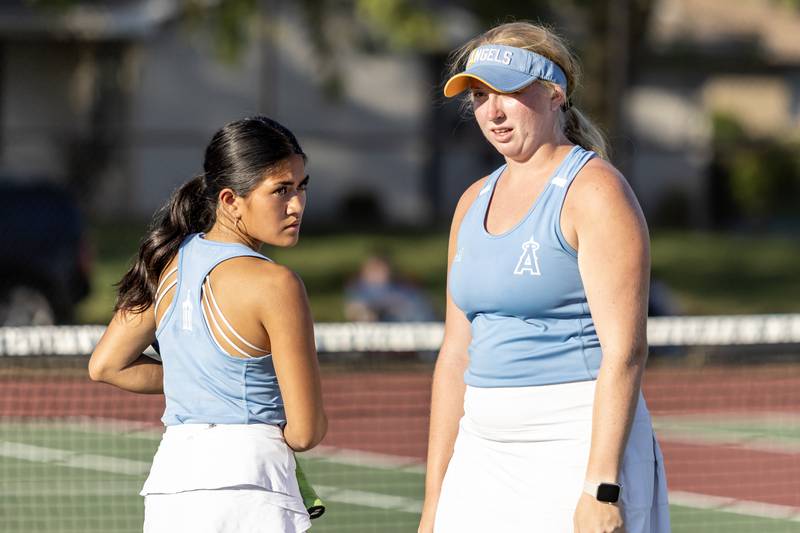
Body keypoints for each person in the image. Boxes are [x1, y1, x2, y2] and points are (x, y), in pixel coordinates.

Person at [419, 22, 670, 533]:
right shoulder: (471, 201)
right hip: (483, 448)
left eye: (507, 92)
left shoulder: (595, 191)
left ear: (554, 94)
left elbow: (625, 350)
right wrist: (433, 504)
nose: (492, 111)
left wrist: (601, 487)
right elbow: (455, 355)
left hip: (574, 444)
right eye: (480, 95)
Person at [88, 116, 327, 533]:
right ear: (231, 200)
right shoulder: (277, 285)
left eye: (301, 186)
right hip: (252, 489)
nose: (297, 205)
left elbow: (106, 365)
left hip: (171, 486)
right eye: (281, 190)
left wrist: (204, 380)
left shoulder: (165, 261)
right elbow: (306, 431)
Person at [344, 251, 437, 322]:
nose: (378, 273)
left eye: (380, 268)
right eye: (374, 269)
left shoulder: (405, 288)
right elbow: (354, 310)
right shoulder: (360, 290)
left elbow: (426, 312)